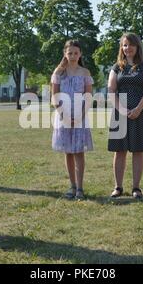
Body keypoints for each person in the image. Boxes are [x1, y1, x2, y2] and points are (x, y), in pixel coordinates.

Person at [107, 33, 143, 199]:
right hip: (119, 112)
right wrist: (121, 109)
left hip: (141, 113)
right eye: (125, 45)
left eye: (131, 45)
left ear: (137, 47)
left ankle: (136, 188)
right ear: (122, 47)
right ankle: (118, 187)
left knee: (138, 150)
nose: (128, 48)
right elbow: (111, 90)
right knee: (119, 151)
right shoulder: (117, 67)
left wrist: (137, 109)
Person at [51, 40, 94, 200]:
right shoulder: (58, 72)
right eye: (70, 53)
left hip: (80, 116)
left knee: (79, 152)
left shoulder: (85, 73)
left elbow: (88, 97)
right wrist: (63, 115)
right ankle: (72, 185)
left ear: (80, 54)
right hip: (63, 116)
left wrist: (80, 116)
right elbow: (54, 96)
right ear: (65, 54)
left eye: (76, 53)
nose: (73, 56)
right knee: (68, 152)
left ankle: (80, 188)